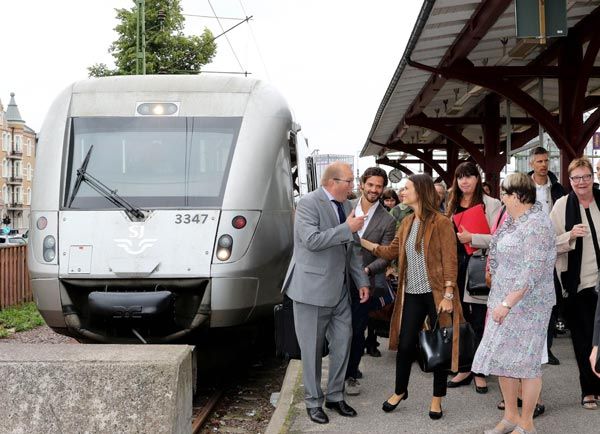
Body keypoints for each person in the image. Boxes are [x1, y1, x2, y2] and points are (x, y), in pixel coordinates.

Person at [360, 174, 462, 420]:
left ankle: (437, 399)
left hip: (437, 295)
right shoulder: (406, 222)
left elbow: (450, 260)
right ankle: (399, 391)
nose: (401, 192)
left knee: (439, 346)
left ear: (421, 191)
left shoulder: (441, 222)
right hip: (413, 294)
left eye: (406, 188)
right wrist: (363, 241)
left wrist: (448, 294)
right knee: (405, 346)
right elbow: (391, 251)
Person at [285, 162, 370, 424]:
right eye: (349, 181)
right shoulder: (309, 203)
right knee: (311, 351)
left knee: (343, 344)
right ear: (333, 182)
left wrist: (361, 280)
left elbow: (352, 249)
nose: (353, 186)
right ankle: (313, 401)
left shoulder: (346, 205)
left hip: (341, 290)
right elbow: (311, 241)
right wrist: (347, 228)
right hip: (311, 291)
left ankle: (335, 396)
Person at [473, 173, 556, 434]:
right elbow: (497, 248)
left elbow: (532, 270)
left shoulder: (538, 224)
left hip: (529, 304)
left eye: (505, 193)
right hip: (503, 299)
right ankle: (510, 416)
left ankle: (526, 423)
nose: (502, 197)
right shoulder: (511, 219)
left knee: (526, 363)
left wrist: (508, 302)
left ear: (519, 196)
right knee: (502, 358)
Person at [445, 162, 501, 394]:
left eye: (469, 176)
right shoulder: (450, 204)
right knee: (460, 320)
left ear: (477, 179)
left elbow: (499, 239)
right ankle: (464, 367)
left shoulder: (492, 204)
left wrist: (472, 237)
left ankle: (480, 371)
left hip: (479, 265)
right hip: (455, 266)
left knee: (479, 320)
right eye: (460, 177)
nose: (464, 181)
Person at [550, 156, 600, 410]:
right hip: (579, 284)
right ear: (569, 181)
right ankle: (589, 389)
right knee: (583, 339)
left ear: (593, 177)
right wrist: (570, 236)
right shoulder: (561, 206)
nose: (582, 182)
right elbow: (548, 243)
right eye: (576, 178)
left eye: (586, 176)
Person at [345, 167, 396, 396]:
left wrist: (366, 270)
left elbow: (385, 256)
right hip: (336, 278)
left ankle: (351, 374)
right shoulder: (345, 206)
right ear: (362, 184)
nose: (374, 190)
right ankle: (341, 370)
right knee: (338, 330)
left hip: (364, 282)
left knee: (357, 330)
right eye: (371, 185)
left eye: (379, 186)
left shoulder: (387, 220)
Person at [528, 146, 566, 366]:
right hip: (528, 248)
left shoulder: (558, 189)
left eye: (546, 160)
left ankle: (547, 348)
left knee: (550, 300)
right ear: (532, 164)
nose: (543, 165)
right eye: (539, 161)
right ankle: (530, 346)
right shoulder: (523, 186)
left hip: (551, 249)